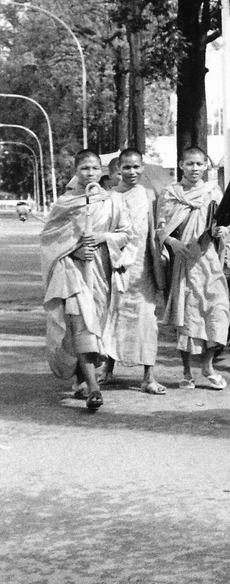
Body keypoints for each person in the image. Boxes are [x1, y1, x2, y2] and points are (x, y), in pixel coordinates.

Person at [40, 149, 134, 412]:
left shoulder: (112, 201)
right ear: (75, 170)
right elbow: (50, 240)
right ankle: (94, 388)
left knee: (97, 326)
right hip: (72, 273)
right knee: (81, 322)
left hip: (102, 272)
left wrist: (104, 238)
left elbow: (127, 234)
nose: (90, 173)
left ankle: (83, 378)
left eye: (94, 169)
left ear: (101, 170)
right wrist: (75, 250)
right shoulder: (65, 202)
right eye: (84, 169)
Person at [156, 146, 230, 390]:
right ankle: (187, 372)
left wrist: (221, 231)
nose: (195, 168)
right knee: (187, 317)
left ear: (206, 166)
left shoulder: (212, 192)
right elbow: (160, 228)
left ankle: (208, 365)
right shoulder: (170, 194)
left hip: (209, 260)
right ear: (181, 165)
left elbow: (223, 223)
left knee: (218, 312)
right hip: (184, 262)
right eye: (190, 164)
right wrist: (172, 241)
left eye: (199, 164)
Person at [100, 148, 167, 395]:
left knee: (147, 321)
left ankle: (149, 377)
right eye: (126, 167)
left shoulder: (149, 195)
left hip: (143, 270)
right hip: (116, 269)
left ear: (143, 167)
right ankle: (108, 366)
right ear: (117, 170)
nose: (132, 172)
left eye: (136, 167)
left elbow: (156, 231)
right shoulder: (109, 197)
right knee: (113, 316)